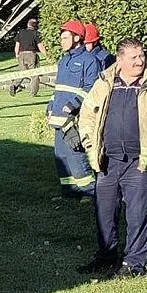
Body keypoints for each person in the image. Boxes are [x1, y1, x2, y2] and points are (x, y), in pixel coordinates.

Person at [77, 38, 147, 277]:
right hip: (107, 161)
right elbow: (87, 113)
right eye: (134, 57)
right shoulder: (105, 81)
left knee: (138, 216)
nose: (140, 61)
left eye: (142, 56)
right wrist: (89, 142)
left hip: (141, 162)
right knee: (104, 214)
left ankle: (134, 264)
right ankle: (106, 258)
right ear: (120, 59)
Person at [47, 19, 97, 197]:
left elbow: (91, 88)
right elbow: (58, 89)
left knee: (76, 155)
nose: (62, 41)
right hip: (59, 119)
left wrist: (73, 105)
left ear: (77, 38)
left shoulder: (89, 61)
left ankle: (90, 193)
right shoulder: (63, 61)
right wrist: (50, 106)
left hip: (74, 119)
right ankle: (69, 192)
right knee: (61, 156)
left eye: (65, 37)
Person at [10, 18, 47, 96]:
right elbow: (40, 46)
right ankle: (33, 92)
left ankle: (14, 85)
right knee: (35, 74)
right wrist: (47, 55)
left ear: (28, 24)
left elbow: (17, 45)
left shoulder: (21, 32)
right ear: (36, 26)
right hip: (31, 55)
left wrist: (16, 54)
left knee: (23, 73)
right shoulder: (36, 33)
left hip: (21, 54)